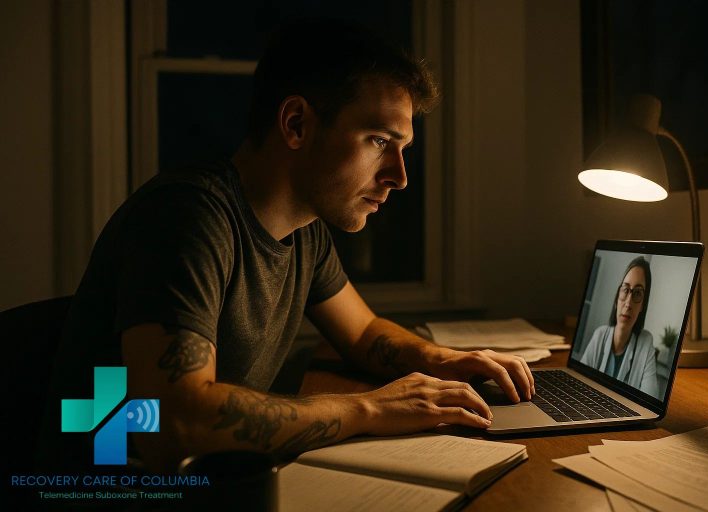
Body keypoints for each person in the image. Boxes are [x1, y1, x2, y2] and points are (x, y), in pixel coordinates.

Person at [38, 19, 534, 472]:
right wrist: (370, 409)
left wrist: (443, 359)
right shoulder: (188, 216)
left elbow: (362, 334)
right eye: (380, 141)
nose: (399, 177)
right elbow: (173, 420)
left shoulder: (304, 228)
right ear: (296, 124)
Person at [579, 257, 659, 398]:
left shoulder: (645, 343)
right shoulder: (600, 335)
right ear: (617, 298)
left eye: (638, 293)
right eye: (625, 289)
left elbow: (650, 400)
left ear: (643, 306)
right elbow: (578, 385)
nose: (628, 303)